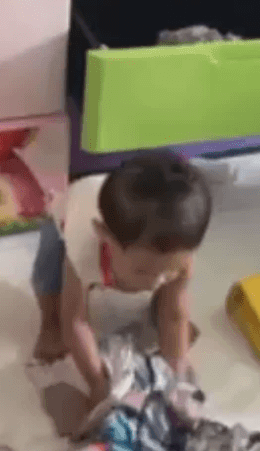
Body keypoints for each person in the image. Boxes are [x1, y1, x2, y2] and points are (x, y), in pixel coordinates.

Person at [31, 153, 212, 408]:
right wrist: (97, 382)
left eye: (168, 270)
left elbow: (175, 316)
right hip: (67, 212)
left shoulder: (180, 255)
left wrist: (177, 370)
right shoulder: (84, 251)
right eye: (142, 271)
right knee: (48, 278)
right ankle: (49, 324)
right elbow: (75, 321)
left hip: (119, 212)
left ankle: (157, 315)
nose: (152, 283)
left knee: (171, 306)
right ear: (105, 238)